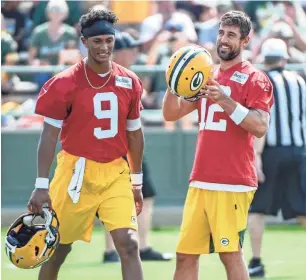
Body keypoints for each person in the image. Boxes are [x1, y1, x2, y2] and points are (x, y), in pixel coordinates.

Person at [27, 8, 145, 280]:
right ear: (84, 41)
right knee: (57, 249)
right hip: (75, 172)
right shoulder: (64, 83)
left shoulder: (129, 81)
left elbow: (135, 134)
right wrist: (41, 184)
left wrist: (136, 182)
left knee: (129, 244)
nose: (104, 47)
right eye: (97, 41)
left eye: (108, 40)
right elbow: (48, 135)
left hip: (115, 172)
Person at [162, 11, 274, 280]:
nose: (223, 40)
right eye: (221, 33)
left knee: (230, 254)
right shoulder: (206, 73)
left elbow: (260, 126)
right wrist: (174, 80)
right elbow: (171, 114)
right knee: (185, 254)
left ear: (245, 41)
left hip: (232, 180)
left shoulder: (254, 78)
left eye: (231, 35)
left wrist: (225, 100)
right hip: (201, 179)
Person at [102, 32, 173, 263]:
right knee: (113, 199)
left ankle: (141, 247)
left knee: (145, 194)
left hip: (128, 146)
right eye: (130, 49)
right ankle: (112, 250)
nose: (134, 53)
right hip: (116, 146)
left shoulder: (120, 75)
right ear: (119, 52)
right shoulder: (114, 76)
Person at [248, 38, 306, 278]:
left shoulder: (262, 82)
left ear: (265, 59)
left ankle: (256, 261)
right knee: (303, 209)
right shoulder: (300, 81)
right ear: (284, 58)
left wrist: (256, 157)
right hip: (299, 150)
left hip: (270, 151)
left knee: (257, 209)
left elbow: (261, 121)